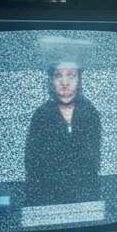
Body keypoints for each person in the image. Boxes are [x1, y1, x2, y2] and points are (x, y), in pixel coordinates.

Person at [24, 62, 102, 207]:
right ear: (51, 82)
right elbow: (32, 161)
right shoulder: (42, 114)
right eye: (58, 76)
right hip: (47, 195)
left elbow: (92, 160)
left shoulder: (90, 112)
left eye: (71, 76)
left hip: (84, 193)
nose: (64, 83)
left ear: (79, 81)